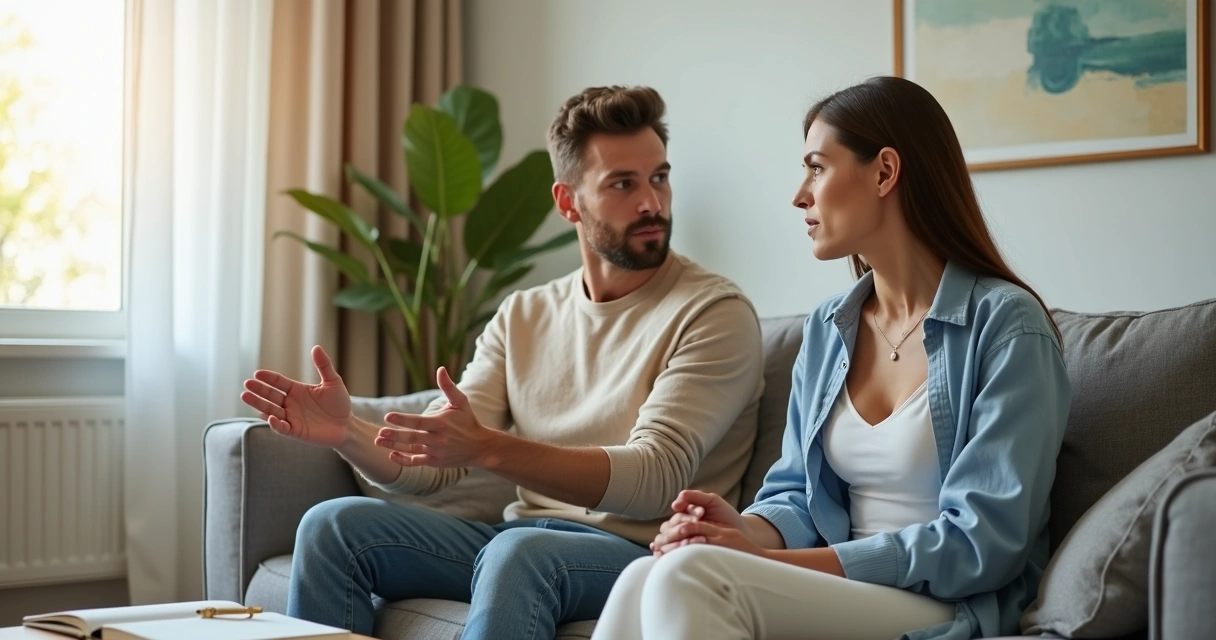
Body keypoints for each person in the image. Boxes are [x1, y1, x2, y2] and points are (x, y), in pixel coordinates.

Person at [238, 85, 764, 639]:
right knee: (332, 526)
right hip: (522, 540)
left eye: (659, 177)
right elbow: (433, 464)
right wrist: (349, 432)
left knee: (521, 552)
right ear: (568, 203)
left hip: (645, 553)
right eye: (622, 184)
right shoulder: (525, 314)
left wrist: (487, 446)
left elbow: (655, 479)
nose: (652, 203)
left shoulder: (713, 313)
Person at [591, 76, 1071, 640]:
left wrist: (769, 564)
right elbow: (796, 493)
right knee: (644, 576)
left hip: (950, 602)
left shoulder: (1006, 325)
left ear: (885, 172)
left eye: (817, 167)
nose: (800, 194)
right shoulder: (828, 329)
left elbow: (982, 543)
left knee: (689, 577)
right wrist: (745, 530)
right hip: (845, 588)